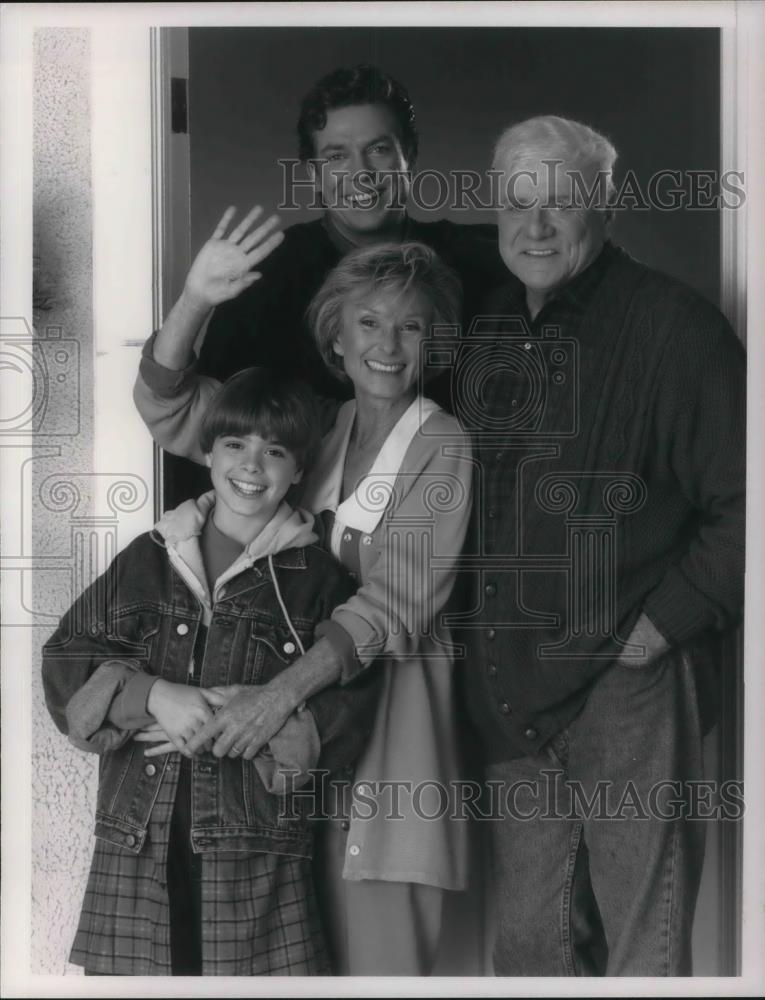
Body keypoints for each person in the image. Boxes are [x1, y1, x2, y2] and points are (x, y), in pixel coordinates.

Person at [133, 235, 476, 975]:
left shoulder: (443, 446)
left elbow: (395, 599)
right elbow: (167, 410)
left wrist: (271, 698)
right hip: (292, 759)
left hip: (390, 754)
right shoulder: (314, 429)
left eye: (410, 326)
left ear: (433, 342)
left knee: (382, 969)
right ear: (334, 336)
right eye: (368, 323)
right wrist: (194, 300)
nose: (387, 345)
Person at [458, 115, 746, 976]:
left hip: (630, 688)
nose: (535, 225)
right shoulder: (487, 329)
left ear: (606, 207)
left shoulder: (674, 328)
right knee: (530, 950)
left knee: (640, 949)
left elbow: (749, 501)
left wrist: (659, 627)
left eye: (562, 201)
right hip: (509, 692)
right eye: (517, 200)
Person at [41, 368, 381, 976]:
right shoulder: (149, 558)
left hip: (257, 855)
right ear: (207, 451)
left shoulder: (318, 583)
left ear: (299, 470)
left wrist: (261, 722)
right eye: (235, 444)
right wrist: (152, 695)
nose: (253, 465)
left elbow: (356, 707)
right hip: (136, 843)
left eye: (275, 451)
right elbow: (67, 659)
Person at [161, 63, 507, 506]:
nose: (361, 174)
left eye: (379, 149)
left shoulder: (476, 261)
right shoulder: (266, 276)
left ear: (410, 155)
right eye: (336, 156)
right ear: (312, 174)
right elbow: (208, 428)